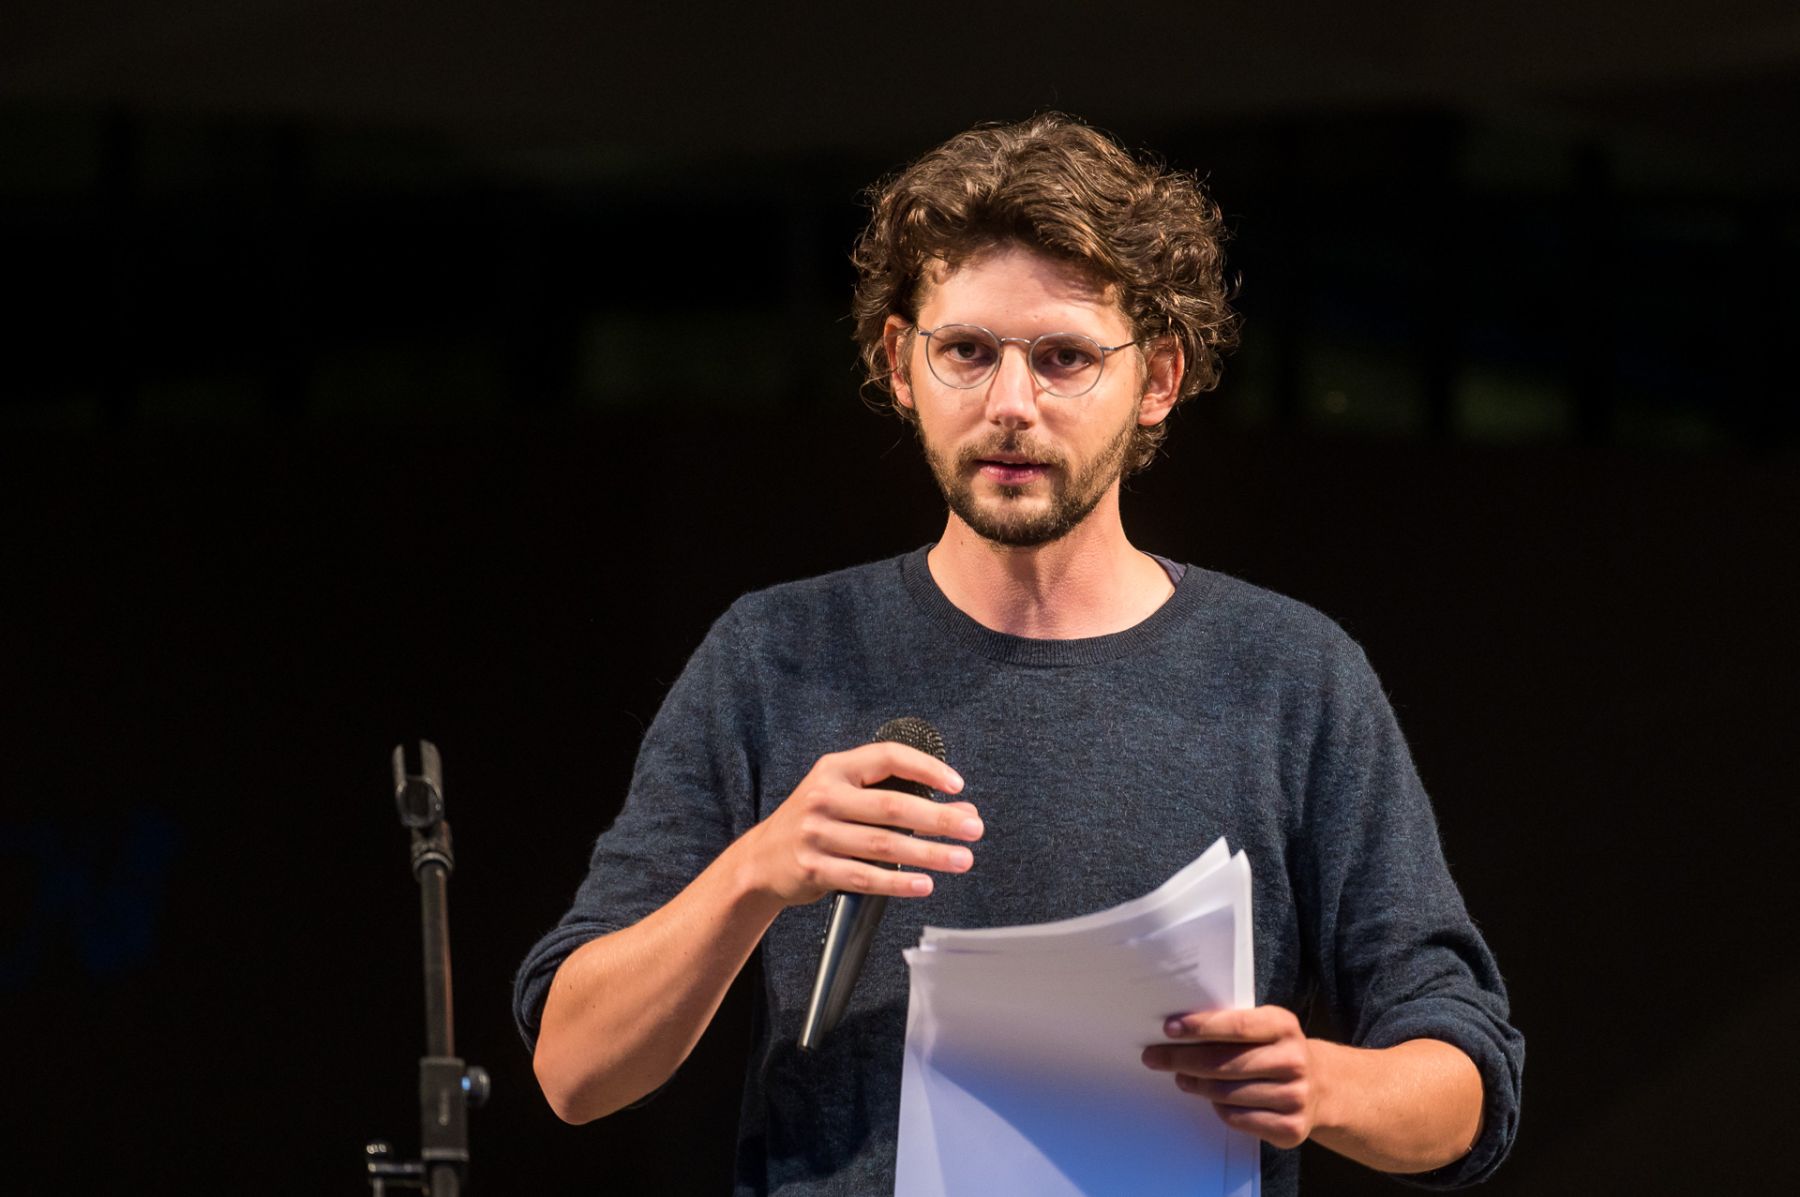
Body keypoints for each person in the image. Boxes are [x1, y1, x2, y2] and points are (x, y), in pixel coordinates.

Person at [515, 113, 1523, 1196]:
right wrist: (755, 874)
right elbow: (574, 1070)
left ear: (1161, 378)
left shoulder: (1287, 676)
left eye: (1064, 360)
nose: (1009, 404)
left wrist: (1319, 1087)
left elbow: (1465, 1085)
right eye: (967, 352)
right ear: (901, 363)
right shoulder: (780, 657)